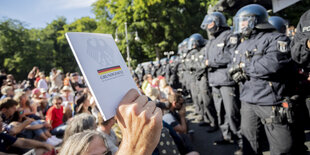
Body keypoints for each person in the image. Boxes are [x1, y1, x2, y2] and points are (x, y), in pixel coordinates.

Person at [229, 4, 294, 154]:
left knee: (282, 147)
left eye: (244, 21)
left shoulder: (276, 38)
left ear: (255, 20)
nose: (242, 25)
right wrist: (233, 71)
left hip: (270, 100)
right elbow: (232, 65)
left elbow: (272, 64)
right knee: (250, 143)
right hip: (247, 100)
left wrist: (244, 67)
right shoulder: (242, 44)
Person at [201, 12, 241, 144]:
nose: (208, 27)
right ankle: (227, 136)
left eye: (210, 23)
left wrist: (210, 62)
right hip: (214, 81)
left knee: (232, 112)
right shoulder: (211, 40)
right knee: (221, 111)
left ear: (218, 22)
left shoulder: (230, 36)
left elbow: (231, 56)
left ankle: (242, 141)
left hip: (226, 80)